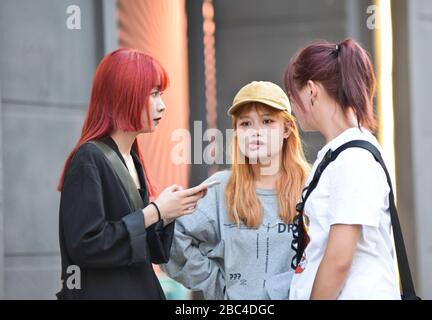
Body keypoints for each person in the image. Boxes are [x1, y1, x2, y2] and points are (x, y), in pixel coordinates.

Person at [56, 48, 208, 299]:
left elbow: (147, 250)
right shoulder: (89, 159)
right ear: (125, 94)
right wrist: (155, 211)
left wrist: (167, 215)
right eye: (154, 94)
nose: (162, 105)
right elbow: (85, 245)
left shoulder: (131, 158)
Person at [161, 81, 310, 299]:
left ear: (286, 129)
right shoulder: (221, 189)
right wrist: (220, 286)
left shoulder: (312, 186)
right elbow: (173, 240)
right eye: (245, 124)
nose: (255, 132)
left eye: (267, 121)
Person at [284, 39, 401, 300]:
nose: (293, 110)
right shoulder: (341, 154)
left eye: (292, 97)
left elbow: (339, 258)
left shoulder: (353, 159)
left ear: (311, 91)